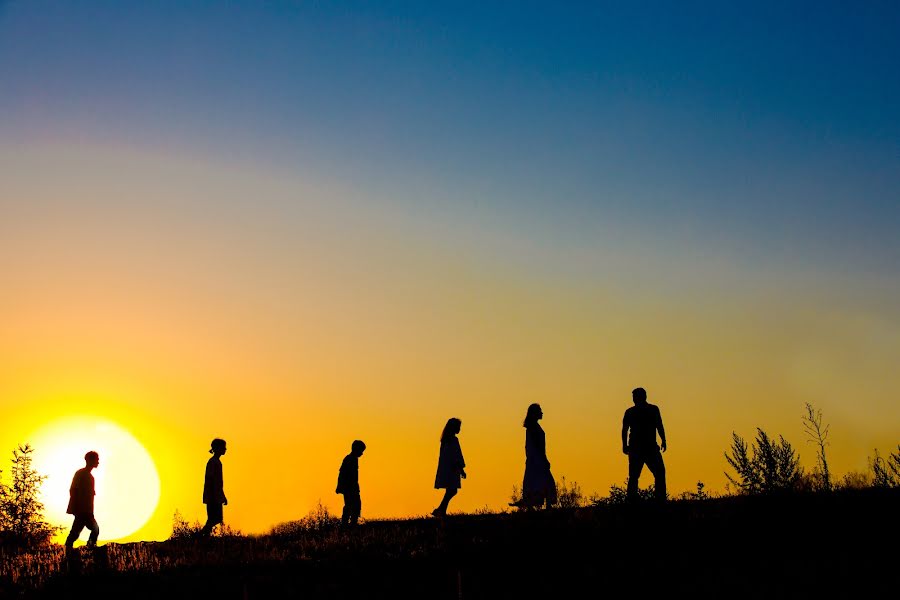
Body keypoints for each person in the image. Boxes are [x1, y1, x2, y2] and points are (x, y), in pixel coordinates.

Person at [622, 387, 667, 501]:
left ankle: (658, 499)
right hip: (641, 448)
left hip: (645, 448)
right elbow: (625, 429)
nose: (633, 399)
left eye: (635, 397)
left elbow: (659, 425)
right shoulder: (636, 411)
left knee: (656, 473)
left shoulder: (649, 410)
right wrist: (625, 445)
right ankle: (635, 499)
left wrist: (663, 440)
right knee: (637, 476)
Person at [515, 403, 557, 509]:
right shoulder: (533, 428)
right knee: (545, 482)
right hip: (537, 460)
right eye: (540, 411)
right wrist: (544, 459)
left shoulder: (533, 427)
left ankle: (538, 506)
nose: (542, 413)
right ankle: (545, 507)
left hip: (534, 460)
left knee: (537, 483)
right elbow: (538, 446)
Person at [65, 451, 101, 550]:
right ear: (90, 460)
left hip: (86, 511)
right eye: (96, 459)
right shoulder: (81, 474)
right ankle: (89, 549)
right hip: (82, 511)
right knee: (94, 529)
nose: (98, 461)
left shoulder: (90, 477)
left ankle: (69, 549)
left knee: (76, 532)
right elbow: (73, 490)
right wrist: (77, 508)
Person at [432, 418, 465, 517]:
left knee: (451, 490)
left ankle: (441, 510)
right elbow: (456, 455)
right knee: (452, 490)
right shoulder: (452, 440)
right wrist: (460, 469)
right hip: (451, 469)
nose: (459, 429)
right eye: (458, 426)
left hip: (449, 468)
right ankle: (440, 509)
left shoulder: (446, 439)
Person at [336, 440, 366, 528]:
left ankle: (353, 523)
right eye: (361, 451)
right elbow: (342, 473)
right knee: (350, 505)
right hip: (349, 488)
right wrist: (340, 486)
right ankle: (346, 524)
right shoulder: (349, 459)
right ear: (356, 449)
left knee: (356, 505)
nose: (362, 454)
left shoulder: (354, 459)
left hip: (353, 487)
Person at [201, 438, 228, 536]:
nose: (225, 449)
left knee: (215, 518)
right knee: (215, 518)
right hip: (213, 496)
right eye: (223, 447)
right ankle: (201, 535)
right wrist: (218, 496)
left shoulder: (216, 462)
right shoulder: (213, 462)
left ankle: (203, 536)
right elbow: (211, 480)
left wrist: (222, 496)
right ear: (217, 448)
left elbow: (218, 483)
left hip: (215, 495)